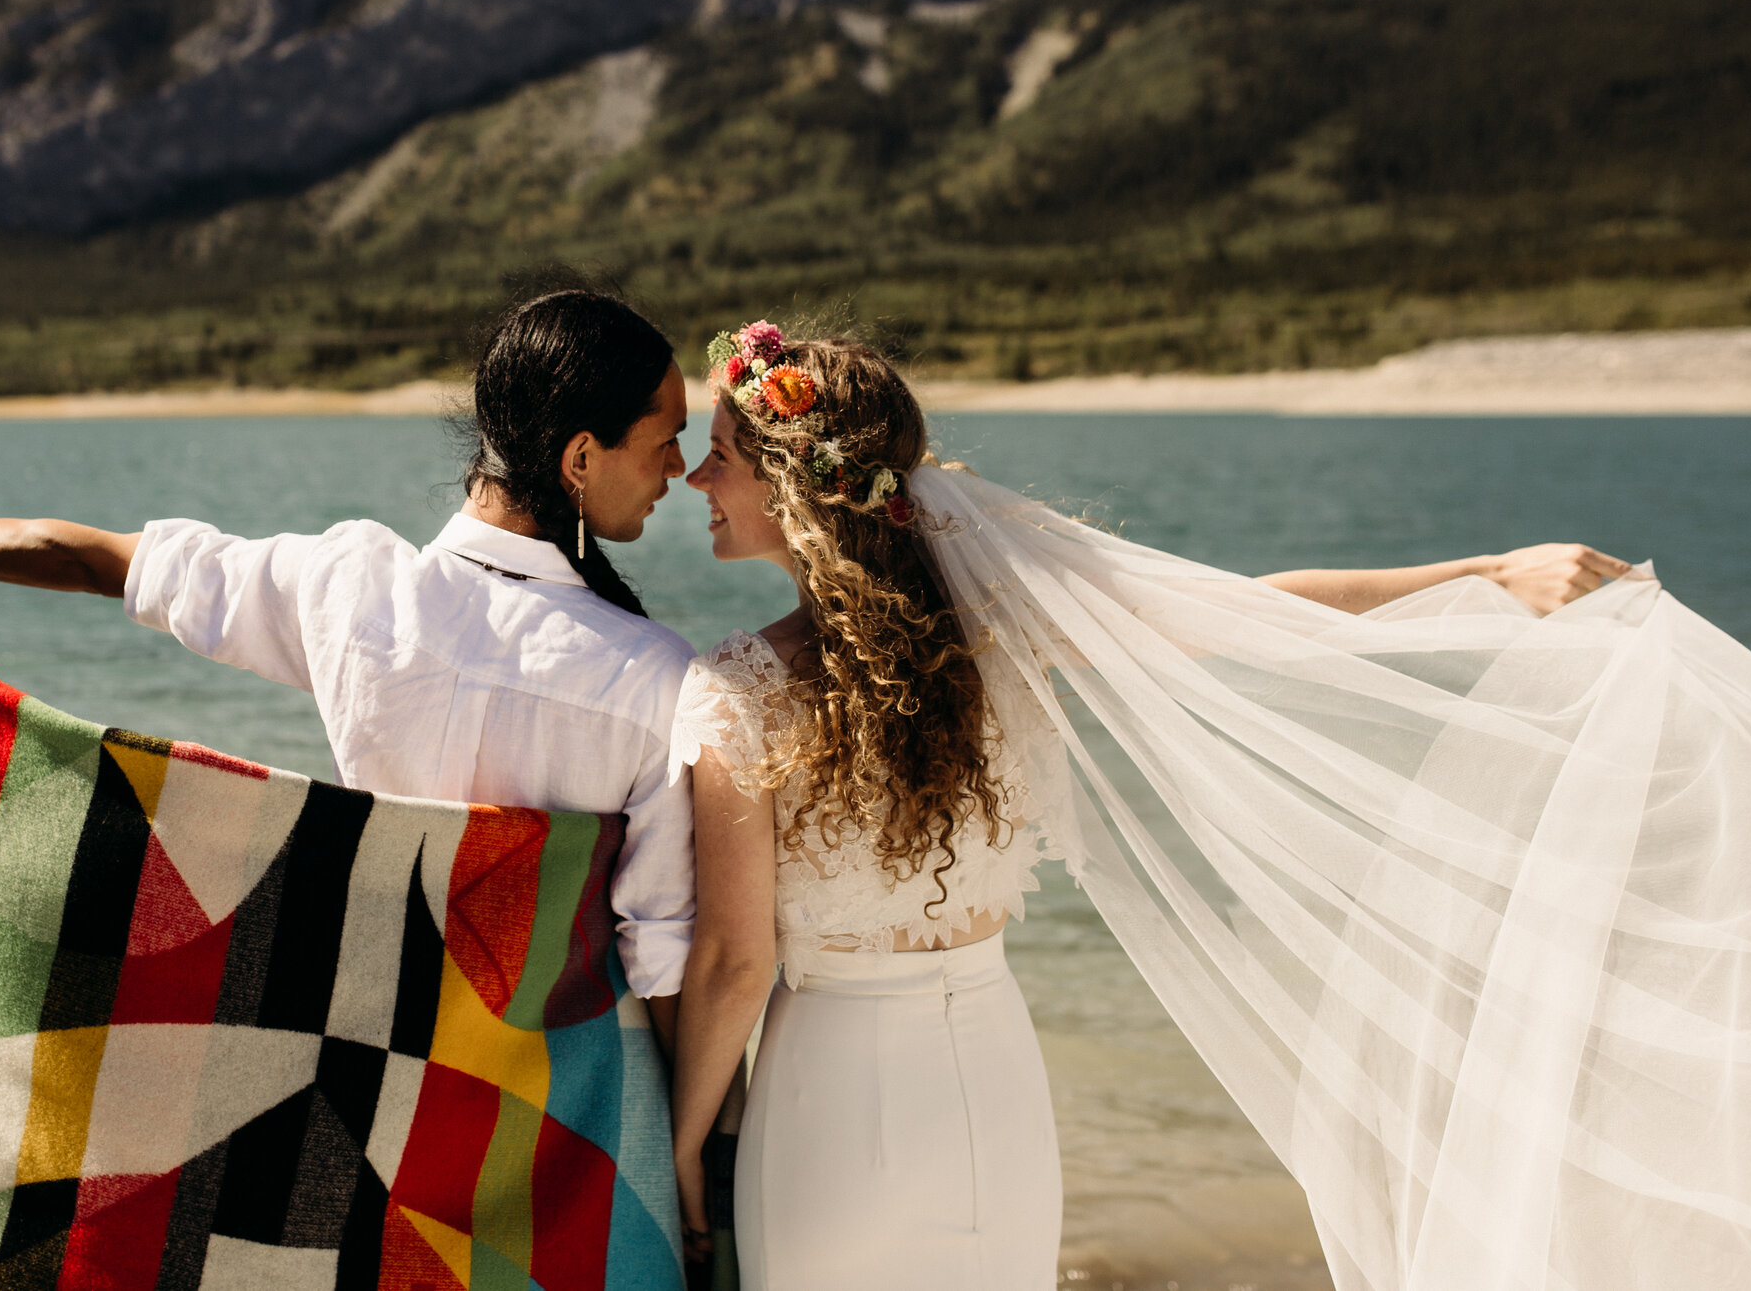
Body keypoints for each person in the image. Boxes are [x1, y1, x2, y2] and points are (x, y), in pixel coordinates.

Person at [666, 323, 1666, 1291]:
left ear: (795, 481)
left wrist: (677, 1144)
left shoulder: (738, 688)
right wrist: (1482, 573)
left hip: (828, 1093)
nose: (694, 479)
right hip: (990, 1069)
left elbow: (735, 961)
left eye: (718, 455)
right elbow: (1246, 608)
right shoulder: (998, 635)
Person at [0, 286, 703, 1028]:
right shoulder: (658, 683)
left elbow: (98, 561)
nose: (677, 470)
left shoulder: (351, 590)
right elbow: (661, 967)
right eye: (665, 443)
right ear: (580, 456)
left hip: (380, 1040)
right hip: (551, 1098)